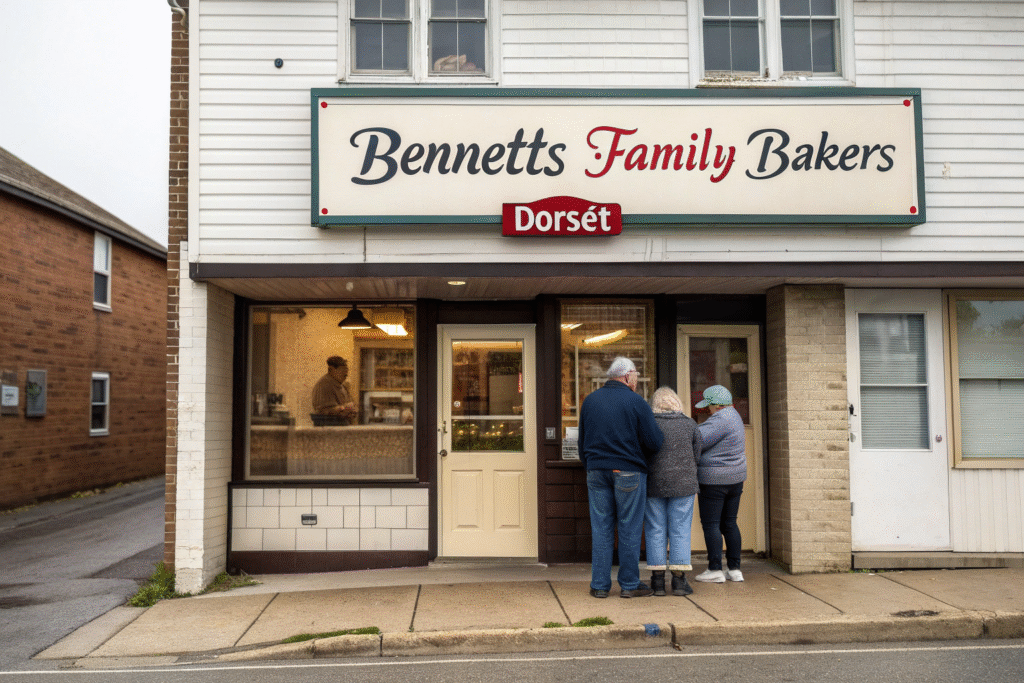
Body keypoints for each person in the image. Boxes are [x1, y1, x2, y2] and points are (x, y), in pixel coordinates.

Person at [578, 357, 664, 599]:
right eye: (635, 375)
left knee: (601, 529)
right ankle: (629, 584)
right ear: (627, 376)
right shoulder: (636, 402)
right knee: (629, 528)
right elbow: (655, 442)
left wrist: (591, 465)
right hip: (628, 471)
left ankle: (599, 585)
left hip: (596, 471)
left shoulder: (590, 400)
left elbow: (582, 441)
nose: (636, 379)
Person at [644, 386, 701, 596]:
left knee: (655, 528)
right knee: (680, 529)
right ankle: (678, 581)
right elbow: (697, 455)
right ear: (676, 403)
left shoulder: (649, 424)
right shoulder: (690, 424)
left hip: (654, 483)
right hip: (684, 484)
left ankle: (657, 581)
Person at [693, 385, 747, 583]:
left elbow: (696, 440)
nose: (708, 410)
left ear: (716, 405)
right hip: (735, 478)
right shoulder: (735, 416)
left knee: (712, 524)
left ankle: (715, 569)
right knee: (730, 523)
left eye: (708, 406)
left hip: (714, 480)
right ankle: (735, 569)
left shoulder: (720, 419)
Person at [311, 356, 358, 425]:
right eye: (342, 370)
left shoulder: (342, 386)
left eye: (346, 371)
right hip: (329, 427)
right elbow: (323, 411)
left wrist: (352, 410)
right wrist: (344, 408)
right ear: (331, 369)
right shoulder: (324, 385)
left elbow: (352, 405)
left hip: (343, 426)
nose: (346, 374)